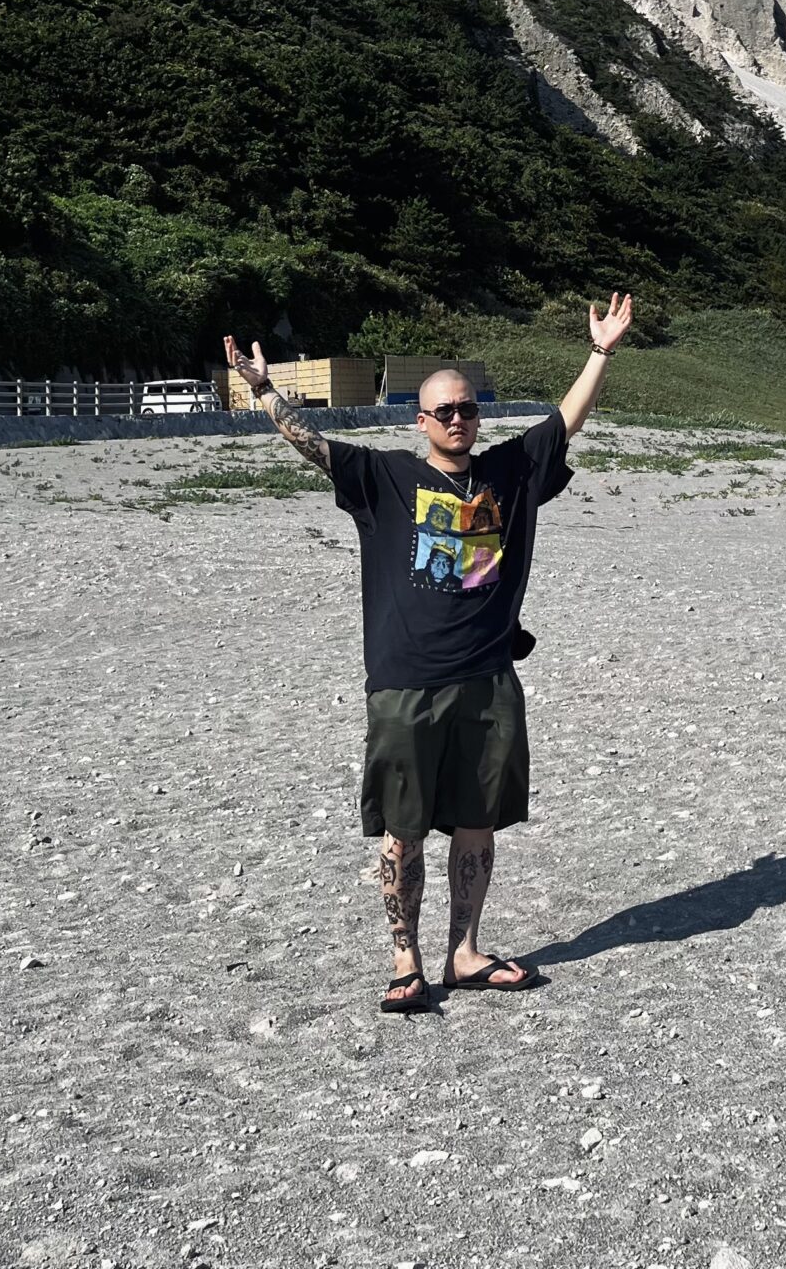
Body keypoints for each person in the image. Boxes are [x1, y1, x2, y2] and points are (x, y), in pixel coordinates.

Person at [224, 294, 633, 1015]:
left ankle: (465, 953)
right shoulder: (385, 478)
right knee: (402, 831)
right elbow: (313, 445)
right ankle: (404, 960)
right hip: (406, 684)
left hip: (488, 680)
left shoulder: (508, 473)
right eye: (444, 411)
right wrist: (264, 391)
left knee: (477, 824)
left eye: (467, 409)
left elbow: (564, 421)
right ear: (421, 421)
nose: (457, 419)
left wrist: (600, 352)